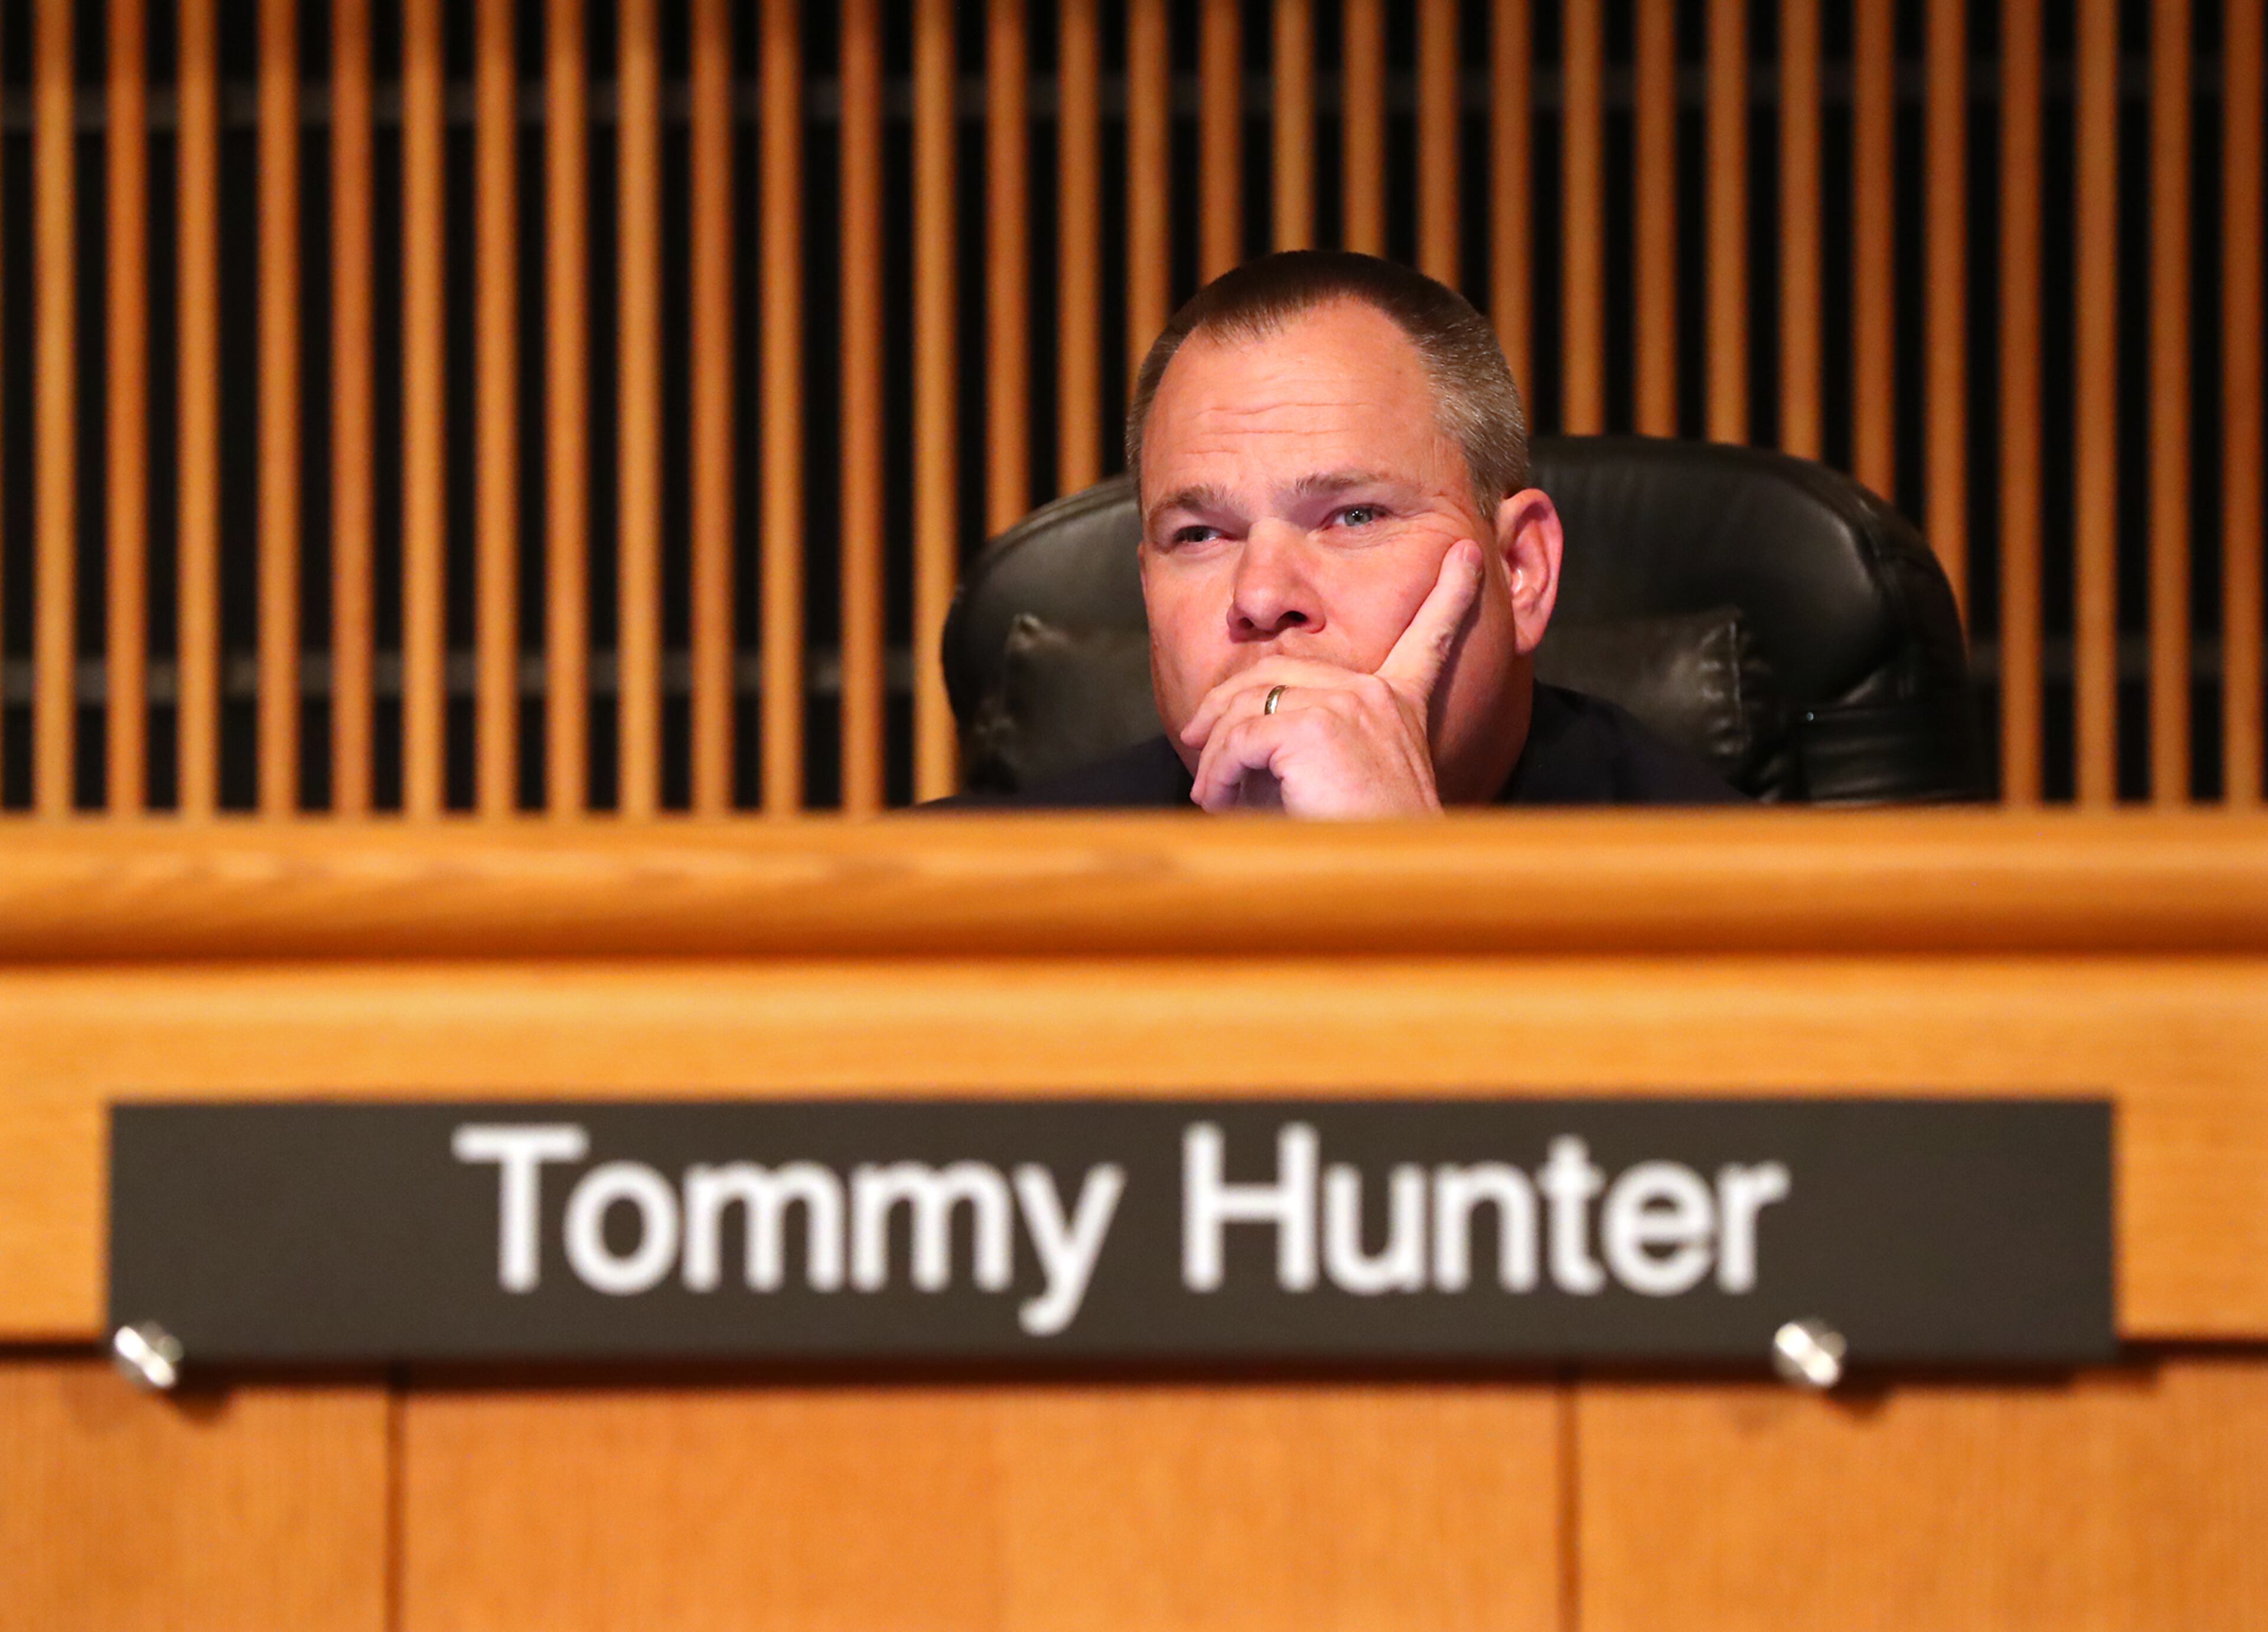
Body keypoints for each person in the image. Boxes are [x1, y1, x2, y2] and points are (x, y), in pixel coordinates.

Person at [943, 251, 1738, 813]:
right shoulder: (956, 911)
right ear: (1145, 586)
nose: (1260, 596)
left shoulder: (1756, 912)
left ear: (1521, 569)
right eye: (1199, 536)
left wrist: (1394, 892)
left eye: (1354, 517)